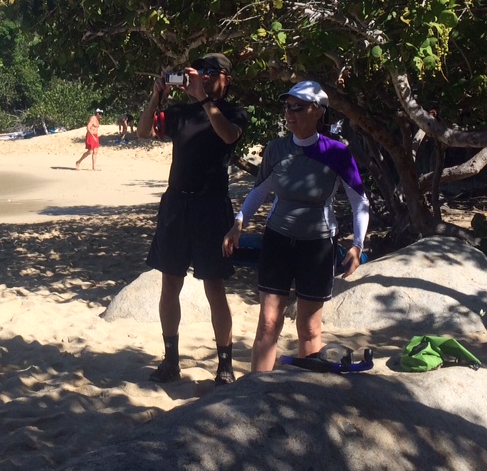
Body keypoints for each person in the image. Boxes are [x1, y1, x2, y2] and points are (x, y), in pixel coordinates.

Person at [222, 80, 369, 372]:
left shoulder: (337, 153)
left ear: (318, 112)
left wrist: (357, 244)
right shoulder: (276, 149)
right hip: (277, 241)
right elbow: (259, 190)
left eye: (298, 107)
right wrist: (238, 222)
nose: (290, 113)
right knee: (268, 323)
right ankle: (254, 395)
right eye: (287, 107)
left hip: (318, 246)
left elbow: (360, 202)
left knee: (310, 328)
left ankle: (306, 396)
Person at [138, 52, 247, 385]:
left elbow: (228, 136)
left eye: (211, 72)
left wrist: (203, 99)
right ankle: (171, 360)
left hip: (211, 207)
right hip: (176, 207)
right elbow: (143, 131)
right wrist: (157, 96)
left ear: (226, 79)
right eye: (199, 71)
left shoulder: (233, 112)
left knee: (214, 287)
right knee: (170, 283)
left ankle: (224, 364)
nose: (203, 76)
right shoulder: (181, 114)